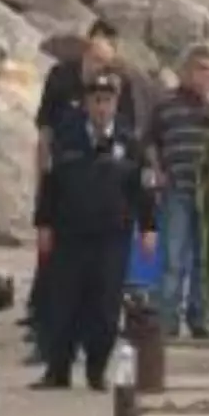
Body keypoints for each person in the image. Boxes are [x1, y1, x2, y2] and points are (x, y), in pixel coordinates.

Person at [32, 72, 156, 391]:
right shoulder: (67, 137)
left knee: (104, 306)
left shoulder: (129, 143)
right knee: (63, 302)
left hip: (111, 236)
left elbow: (143, 187)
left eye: (107, 100)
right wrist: (43, 224)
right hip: (70, 233)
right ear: (86, 103)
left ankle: (96, 369)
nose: (101, 107)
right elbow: (50, 185)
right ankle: (57, 369)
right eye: (96, 100)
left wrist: (148, 226)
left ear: (116, 104)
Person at [27, 20, 137, 364]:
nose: (103, 71)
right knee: (58, 282)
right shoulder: (61, 80)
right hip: (69, 199)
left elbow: (133, 154)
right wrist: (42, 196)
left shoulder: (124, 90)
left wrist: (143, 220)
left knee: (102, 292)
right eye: (98, 62)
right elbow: (46, 137)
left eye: (109, 65)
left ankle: (94, 358)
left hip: (107, 213)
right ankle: (49, 348)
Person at [145, 42, 209, 339]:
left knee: (204, 259)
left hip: (207, 190)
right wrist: (158, 170)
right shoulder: (165, 105)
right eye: (199, 69)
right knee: (173, 256)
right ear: (186, 70)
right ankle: (167, 319)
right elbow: (150, 140)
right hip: (177, 187)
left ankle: (200, 317)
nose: (205, 76)